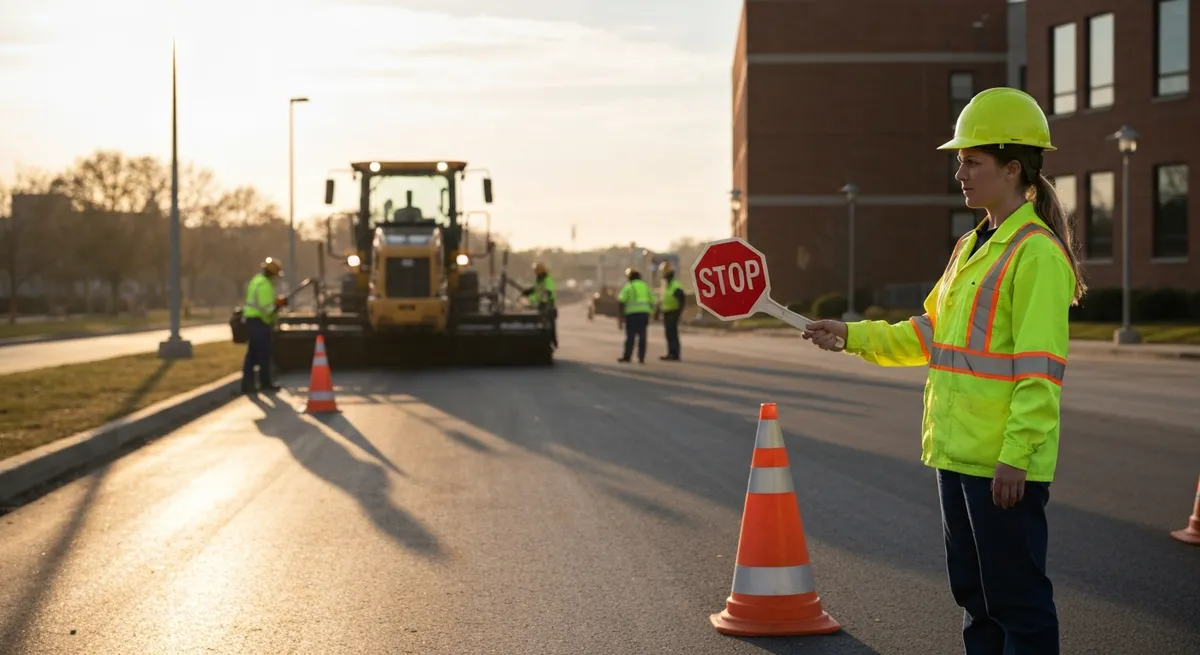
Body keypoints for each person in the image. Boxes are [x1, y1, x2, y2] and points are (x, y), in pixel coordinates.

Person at [802, 87, 1086, 655]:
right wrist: (851, 336)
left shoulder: (1036, 254)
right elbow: (929, 335)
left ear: (1012, 169)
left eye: (971, 161)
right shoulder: (971, 246)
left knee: (1018, 604)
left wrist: (1017, 456)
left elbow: (1040, 371)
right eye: (960, 160)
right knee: (975, 598)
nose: (959, 172)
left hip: (1000, 464)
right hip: (955, 455)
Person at [241, 257, 288, 394]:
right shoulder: (264, 285)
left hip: (253, 320)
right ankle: (264, 383)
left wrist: (276, 303)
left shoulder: (256, 280)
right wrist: (279, 305)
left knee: (253, 354)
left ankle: (248, 384)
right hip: (259, 322)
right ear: (271, 273)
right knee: (263, 353)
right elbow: (267, 308)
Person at [617, 267, 654, 364]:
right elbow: (653, 301)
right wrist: (652, 313)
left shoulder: (628, 286)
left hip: (631, 315)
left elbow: (622, 301)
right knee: (642, 336)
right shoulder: (645, 286)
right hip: (644, 314)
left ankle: (627, 357)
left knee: (630, 337)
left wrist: (620, 318)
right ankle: (641, 358)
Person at [522, 262, 558, 349]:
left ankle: (551, 343)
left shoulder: (548, 280)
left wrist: (543, 302)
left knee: (548, 327)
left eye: (535, 271)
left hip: (548, 307)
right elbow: (537, 290)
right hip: (541, 307)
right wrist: (528, 292)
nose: (534, 273)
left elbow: (547, 292)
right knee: (543, 326)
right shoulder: (539, 281)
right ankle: (548, 343)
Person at [656, 261, 686, 361]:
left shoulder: (675, 285)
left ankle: (675, 354)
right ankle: (670, 353)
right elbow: (662, 298)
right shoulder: (665, 285)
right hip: (667, 311)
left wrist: (679, 312)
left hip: (673, 311)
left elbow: (682, 299)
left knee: (672, 333)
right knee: (669, 333)